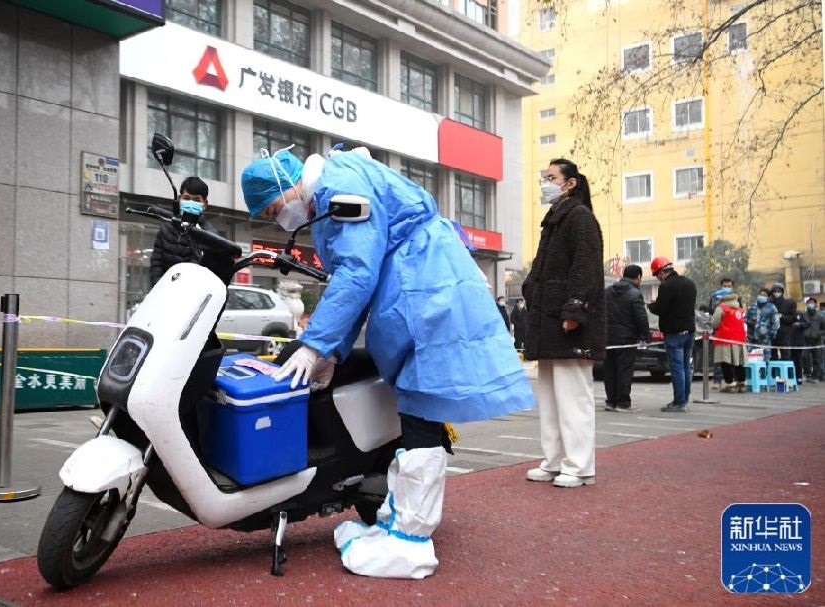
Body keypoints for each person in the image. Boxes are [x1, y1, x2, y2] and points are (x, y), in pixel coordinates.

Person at [240, 146, 533, 579]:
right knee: (414, 410)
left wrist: (315, 345)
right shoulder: (332, 190)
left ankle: (411, 541)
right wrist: (331, 350)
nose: (279, 218)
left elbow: (357, 273)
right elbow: (358, 276)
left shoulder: (339, 187)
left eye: (273, 208)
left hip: (424, 292)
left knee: (420, 411)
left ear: (286, 184)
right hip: (419, 284)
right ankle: (397, 521)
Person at [521, 158, 605, 488]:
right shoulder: (556, 219)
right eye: (544, 177)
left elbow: (585, 268)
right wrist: (531, 289)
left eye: (551, 177)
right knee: (552, 400)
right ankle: (555, 461)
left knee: (573, 399)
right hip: (549, 322)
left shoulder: (580, 217)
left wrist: (575, 310)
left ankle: (580, 466)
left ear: (570, 183)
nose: (545, 182)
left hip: (569, 324)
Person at [149, 176, 220, 286]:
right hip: (163, 291)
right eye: (186, 198)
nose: (191, 203)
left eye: (196, 200)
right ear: (179, 199)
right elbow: (156, 264)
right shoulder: (166, 227)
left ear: (205, 204)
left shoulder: (209, 235)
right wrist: (160, 287)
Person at [648, 257, 697, 412]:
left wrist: (652, 305)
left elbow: (660, 309)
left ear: (662, 272)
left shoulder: (666, 286)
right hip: (689, 331)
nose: (658, 279)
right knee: (686, 367)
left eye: (657, 275)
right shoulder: (690, 283)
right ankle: (684, 399)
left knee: (677, 368)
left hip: (674, 333)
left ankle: (679, 402)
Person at [603, 264, 651, 413]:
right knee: (624, 370)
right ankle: (623, 403)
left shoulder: (608, 291)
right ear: (638, 277)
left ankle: (611, 401)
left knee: (610, 370)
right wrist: (646, 335)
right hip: (626, 339)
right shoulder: (635, 293)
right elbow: (641, 317)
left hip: (608, 337)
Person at [710, 287, 748, 392]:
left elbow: (715, 323)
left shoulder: (721, 308)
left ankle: (730, 384)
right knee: (739, 362)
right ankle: (742, 384)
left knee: (725, 362)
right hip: (739, 339)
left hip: (724, 339)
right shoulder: (739, 308)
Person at [708, 277, 735, 389]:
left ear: (732, 287)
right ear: (721, 286)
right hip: (719, 330)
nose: (726, 288)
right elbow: (711, 311)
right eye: (724, 286)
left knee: (732, 357)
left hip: (732, 331)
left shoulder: (736, 298)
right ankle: (717, 380)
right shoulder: (714, 297)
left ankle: (730, 381)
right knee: (718, 357)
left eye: (729, 286)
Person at [745, 288, 780, 361]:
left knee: (765, 360)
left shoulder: (772, 308)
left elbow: (776, 324)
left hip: (765, 340)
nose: (761, 296)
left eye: (764, 295)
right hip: (751, 338)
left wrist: (770, 335)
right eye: (760, 294)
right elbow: (745, 319)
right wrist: (749, 322)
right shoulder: (752, 306)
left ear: (768, 297)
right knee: (750, 359)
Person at [801, 297, 824, 383]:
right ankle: (807, 373)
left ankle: (815, 376)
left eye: (812, 302)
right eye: (808, 302)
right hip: (806, 340)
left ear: (815, 304)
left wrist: (818, 333)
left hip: (817, 340)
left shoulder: (820, 316)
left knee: (817, 359)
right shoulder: (803, 315)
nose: (810, 304)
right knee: (804, 357)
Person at [770, 282, 795, 361]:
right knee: (772, 356)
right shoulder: (769, 304)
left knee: (786, 356)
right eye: (775, 291)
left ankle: (787, 369)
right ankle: (773, 369)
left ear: (782, 292)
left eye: (779, 291)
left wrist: (782, 317)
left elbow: (793, 318)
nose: (777, 293)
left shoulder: (789, 303)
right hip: (772, 334)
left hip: (784, 334)